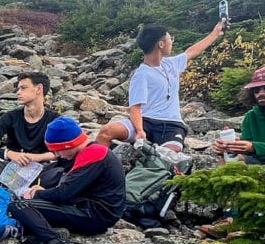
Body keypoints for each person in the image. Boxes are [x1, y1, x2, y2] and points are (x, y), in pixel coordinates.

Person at [97, 20, 227, 151]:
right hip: (145, 122)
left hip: (172, 125)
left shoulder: (171, 64)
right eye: (171, 39)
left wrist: (215, 33)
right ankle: (101, 160)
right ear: (161, 44)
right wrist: (140, 131)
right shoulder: (142, 74)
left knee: (169, 153)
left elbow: (192, 51)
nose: (172, 42)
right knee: (106, 132)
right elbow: (135, 107)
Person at [10, 117, 125, 244]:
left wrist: (36, 194)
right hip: (95, 209)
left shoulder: (93, 155)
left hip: (95, 215)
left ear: (67, 145)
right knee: (29, 210)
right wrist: (45, 193)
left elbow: (63, 194)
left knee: (20, 205)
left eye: (58, 151)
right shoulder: (94, 150)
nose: (58, 155)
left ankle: (57, 243)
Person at [0, 71, 60, 195]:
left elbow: (63, 151)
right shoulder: (11, 117)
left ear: (39, 89)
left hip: (41, 173)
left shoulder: (55, 119)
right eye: (18, 88)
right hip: (10, 173)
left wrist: (37, 157)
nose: (18, 92)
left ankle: (60, 196)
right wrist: (10, 154)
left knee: (71, 161)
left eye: (23, 88)